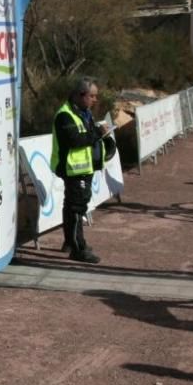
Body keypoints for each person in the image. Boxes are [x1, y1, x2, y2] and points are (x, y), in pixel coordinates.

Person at [50, 76, 113, 264]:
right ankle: (79, 248)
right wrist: (97, 133)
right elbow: (75, 140)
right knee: (77, 208)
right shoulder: (65, 115)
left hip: (83, 168)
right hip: (73, 169)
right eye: (92, 96)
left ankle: (70, 242)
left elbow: (87, 136)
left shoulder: (83, 112)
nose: (95, 100)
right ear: (80, 95)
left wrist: (104, 137)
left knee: (72, 206)